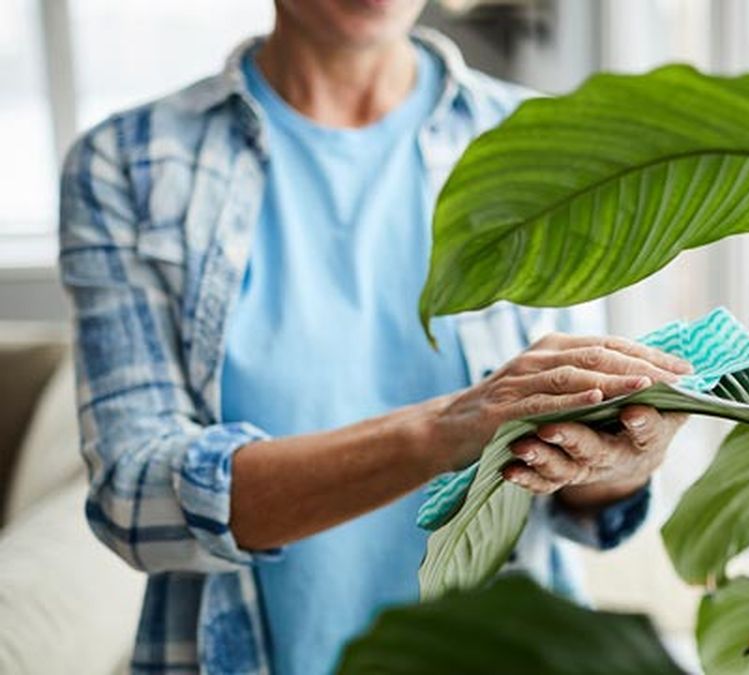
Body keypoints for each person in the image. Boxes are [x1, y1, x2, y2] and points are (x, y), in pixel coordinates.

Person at [58, 1, 688, 673]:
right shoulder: (129, 164)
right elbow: (137, 496)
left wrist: (620, 459)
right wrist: (443, 429)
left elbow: (572, 490)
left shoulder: (541, 142)